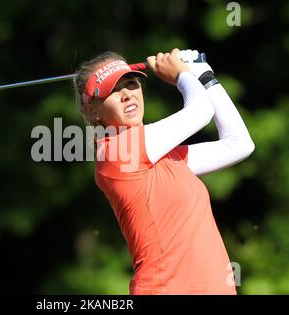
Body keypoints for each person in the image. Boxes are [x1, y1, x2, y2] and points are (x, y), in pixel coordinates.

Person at [73, 48, 255, 295]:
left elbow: (240, 144)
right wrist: (181, 75)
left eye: (131, 83)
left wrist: (204, 75)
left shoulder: (164, 156)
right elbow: (200, 113)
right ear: (93, 111)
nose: (127, 94)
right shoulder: (116, 152)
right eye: (113, 91)